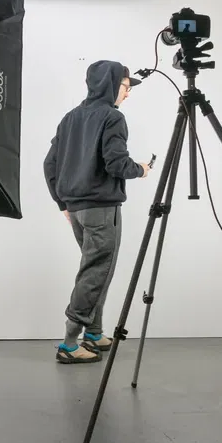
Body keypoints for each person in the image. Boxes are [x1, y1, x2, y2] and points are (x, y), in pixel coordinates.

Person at [43, 60, 151, 365]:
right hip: (101, 209)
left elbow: (49, 165)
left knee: (97, 270)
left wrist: (62, 203)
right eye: (126, 87)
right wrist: (140, 170)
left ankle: (94, 333)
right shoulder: (112, 117)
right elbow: (117, 163)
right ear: (111, 83)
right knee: (95, 272)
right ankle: (69, 343)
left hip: (77, 210)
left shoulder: (70, 118)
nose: (128, 94)